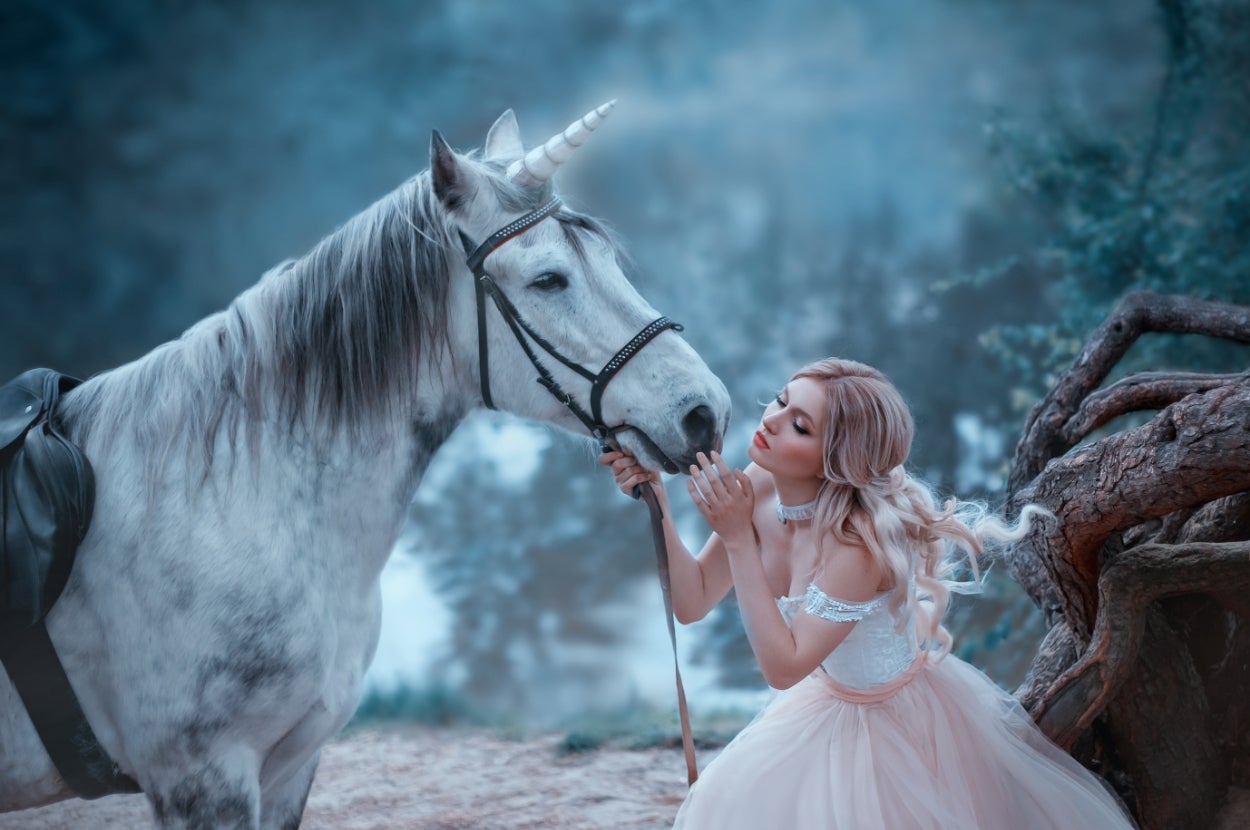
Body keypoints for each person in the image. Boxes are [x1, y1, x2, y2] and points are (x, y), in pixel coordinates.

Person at [600, 357, 1136, 829]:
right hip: (824, 702)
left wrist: (739, 538)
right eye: (781, 401)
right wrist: (658, 501)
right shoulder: (761, 484)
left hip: (894, 729)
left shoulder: (857, 547)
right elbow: (691, 602)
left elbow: (783, 669)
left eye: (799, 426)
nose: (770, 421)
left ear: (836, 458)